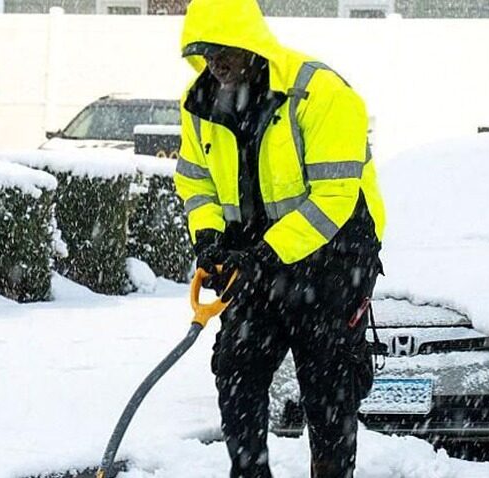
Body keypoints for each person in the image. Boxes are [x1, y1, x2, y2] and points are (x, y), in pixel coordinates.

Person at [173, 1, 386, 477]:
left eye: (223, 50)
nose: (215, 63)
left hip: (333, 259)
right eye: (205, 52)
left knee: (327, 384)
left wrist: (267, 254)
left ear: (252, 45)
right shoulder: (201, 101)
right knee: (236, 369)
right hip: (256, 263)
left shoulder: (321, 94)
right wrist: (208, 235)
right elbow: (194, 180)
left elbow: (334, 197)